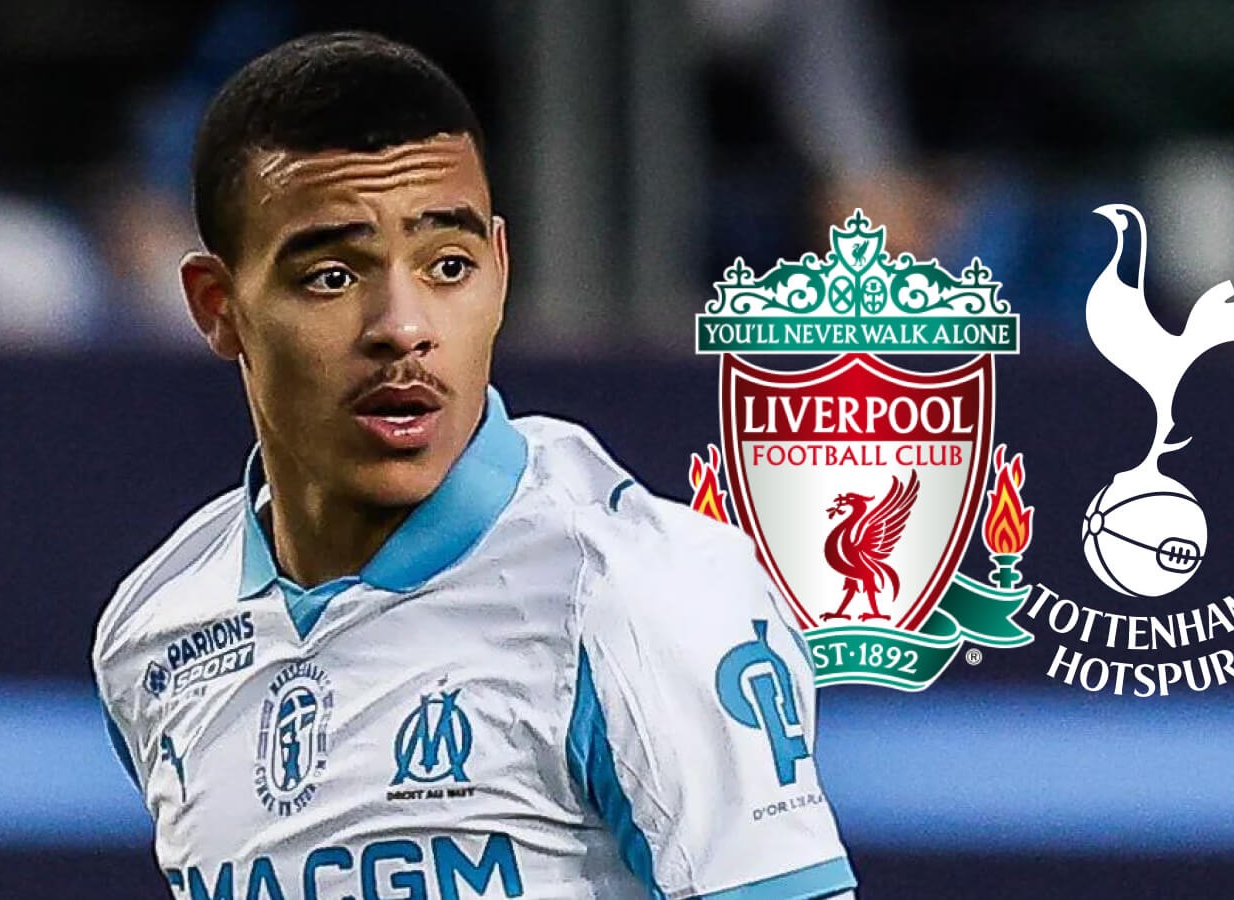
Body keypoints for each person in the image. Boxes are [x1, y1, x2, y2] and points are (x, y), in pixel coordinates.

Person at [92, 31, 856, 899]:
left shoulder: (636, 592)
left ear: (500, 270)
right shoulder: (155, 630)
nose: (403, 327)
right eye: (333, 276)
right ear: (218, 306)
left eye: (448, 266)